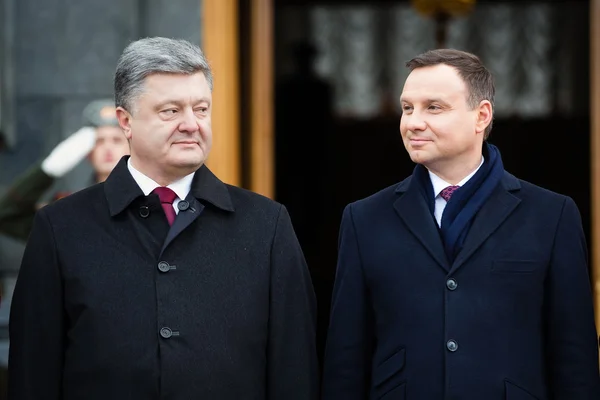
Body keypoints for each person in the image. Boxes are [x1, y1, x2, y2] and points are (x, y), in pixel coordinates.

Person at [8, 37, 318, 400]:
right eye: (171, 111)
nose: (191, 124)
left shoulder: (267, 225)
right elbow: (33, 375)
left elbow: (294, 371)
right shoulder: (61, 228)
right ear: (125, 121)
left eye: (201, 109)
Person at [321, 49, 600, 399]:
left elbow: (575, 361)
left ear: (481, 115)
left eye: (433, 107)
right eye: (407, 108)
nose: (413, 122)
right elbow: (345, 361)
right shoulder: (364, 219)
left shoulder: (551, 215)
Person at [0, 99, 130, 241]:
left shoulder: (150, 201)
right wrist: (49, 169)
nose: (107, 148)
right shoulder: (68, 208)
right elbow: (6, 217)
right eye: (99, 141)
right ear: (87, 151)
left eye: (117, 140)